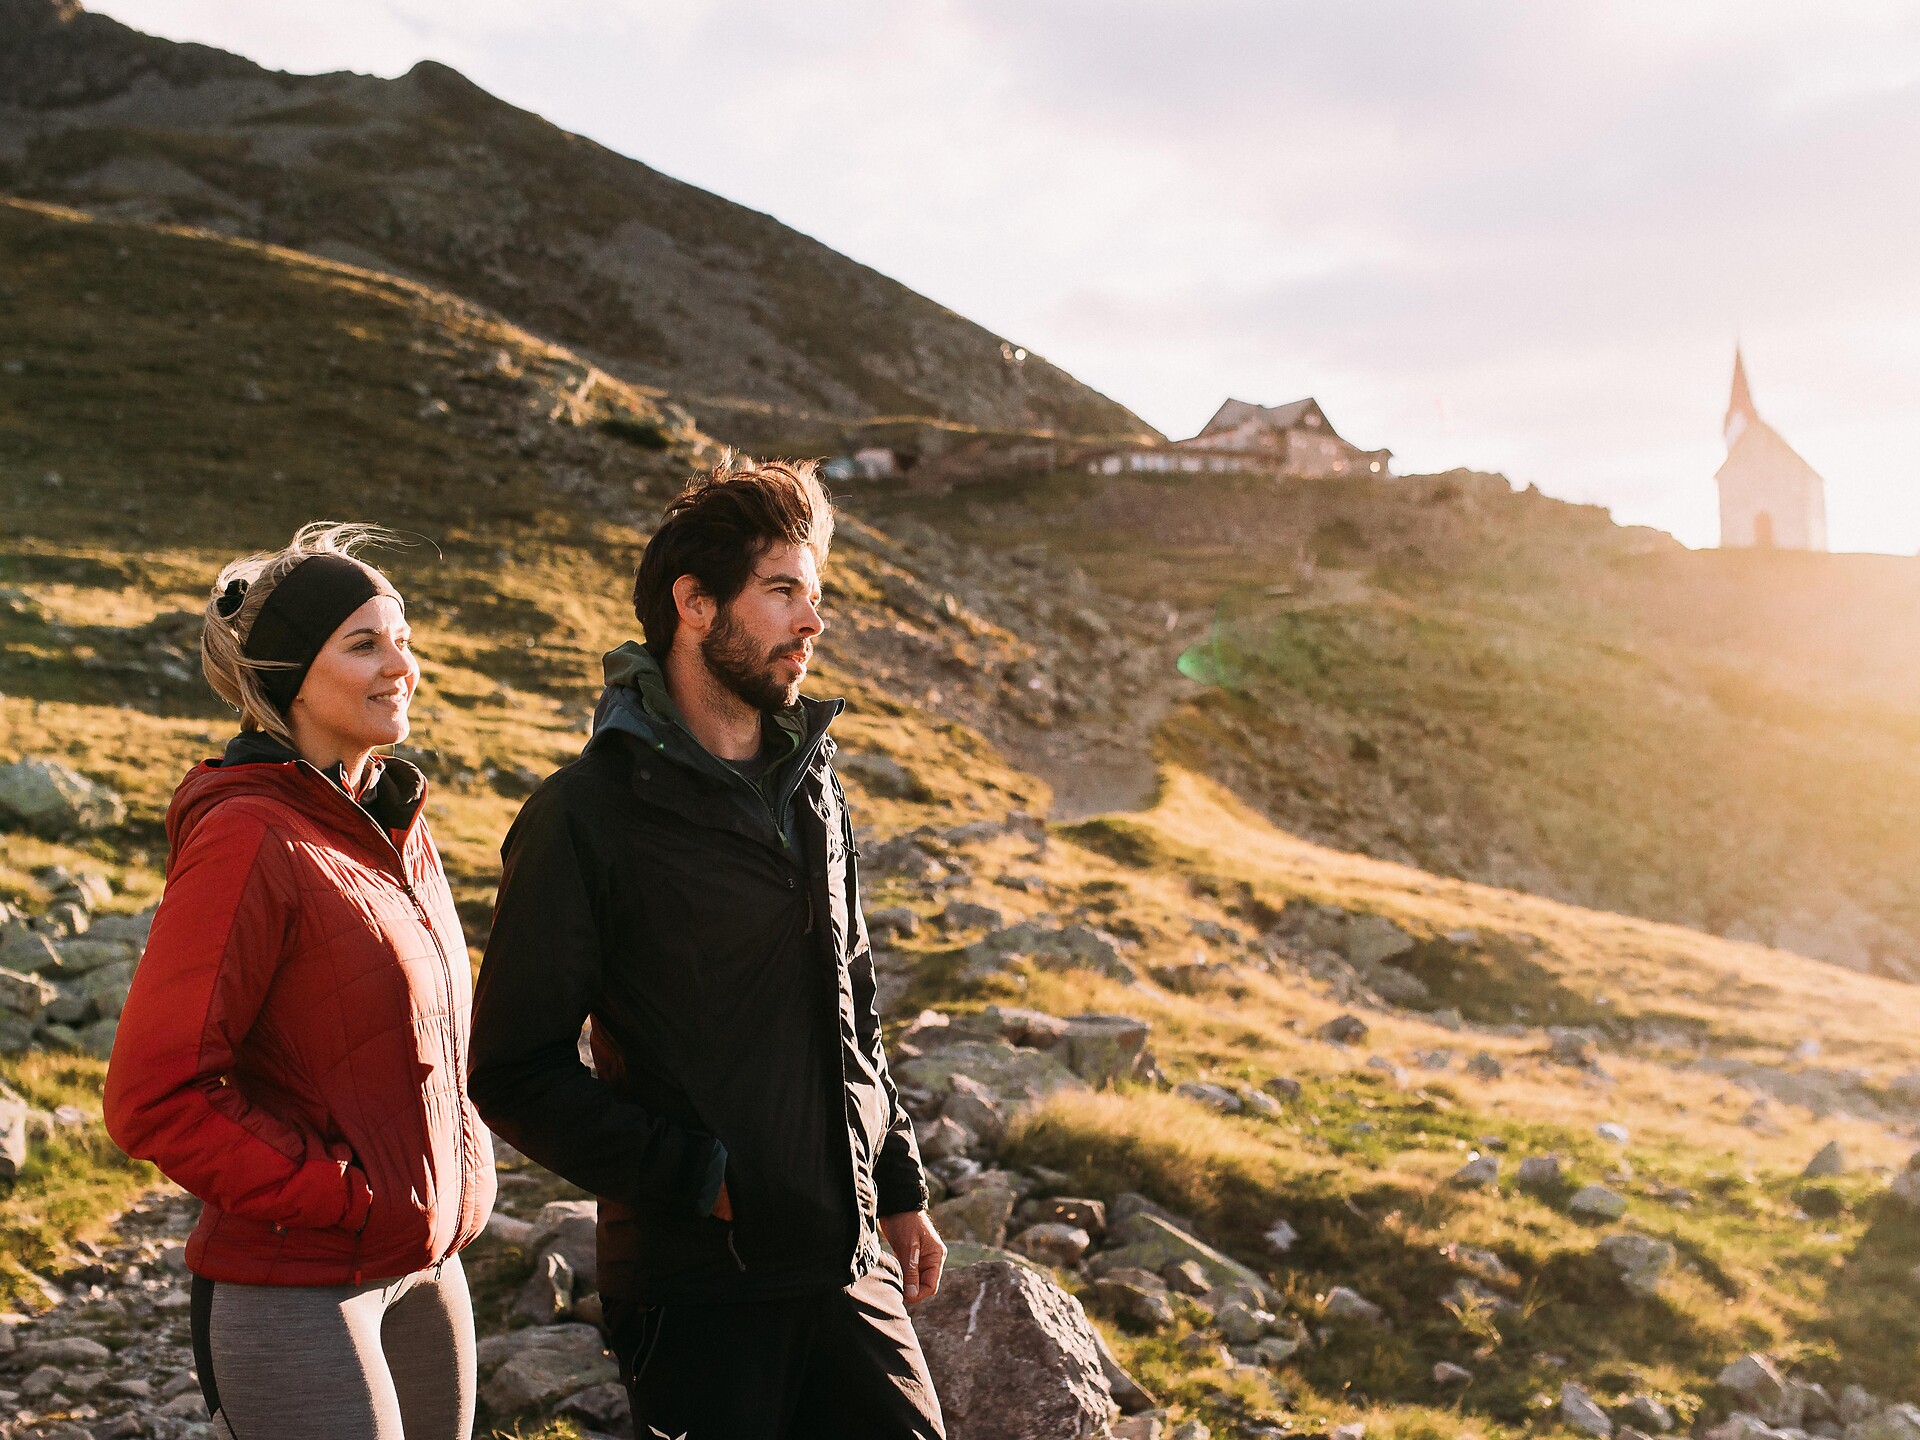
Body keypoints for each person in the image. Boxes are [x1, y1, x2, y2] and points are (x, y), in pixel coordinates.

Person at [469, 456, 946, 1438]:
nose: (811, 622)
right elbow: (513, 1071)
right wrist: (699, 1180)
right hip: (701, 1293)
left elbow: (851, 1004)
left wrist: (895, 1186)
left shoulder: (815, 789)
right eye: (782, 593)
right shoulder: (586, 814)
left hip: (847, 1266)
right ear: (694, 605)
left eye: (813, 597)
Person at [105, 523, 495, 1440]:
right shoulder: (249, 834)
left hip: (431, 1268)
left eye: (403, 638)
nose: (400, 664)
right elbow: (151, 1095)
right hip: (299, 1291)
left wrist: (462, 1163)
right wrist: (339, 1197)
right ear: (288, 678)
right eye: (363, 644)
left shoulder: (397, 827)